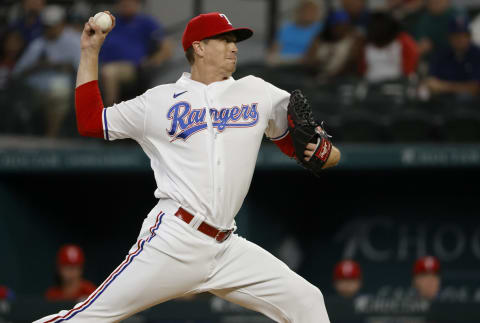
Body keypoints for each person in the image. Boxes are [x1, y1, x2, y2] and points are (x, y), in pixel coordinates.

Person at [34, 10, 340, 323]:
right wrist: (89, 52)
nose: (234, 47)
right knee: (89, 317)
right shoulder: (158, 101)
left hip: (226, 247)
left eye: (235, 40)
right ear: (199, 47)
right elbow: (90, 122)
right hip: (175, 240)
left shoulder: (258, 92)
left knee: (307, 301)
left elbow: (317, 152)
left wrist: (322, 151)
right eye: (225, 40)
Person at [12, 5, 81, 137]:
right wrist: (39, 65)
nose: (49, 29)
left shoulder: (74, 40)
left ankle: (51, 135)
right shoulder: (38, 43)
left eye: (53, 25)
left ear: (62, 23)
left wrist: (61, 66)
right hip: (35, 90)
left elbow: (82, 69)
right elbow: (17, 72)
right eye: (46, 26)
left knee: (58, 91)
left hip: (66, 86)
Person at [99, 0, 173, 106]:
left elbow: (167, 47)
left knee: (109, 72)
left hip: (133, 68)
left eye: (129, 3)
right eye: (122, 3)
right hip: (104, 65)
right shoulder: (110, 22)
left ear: (137, 4)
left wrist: (152, 61)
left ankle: (109, 112)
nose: (125, 6)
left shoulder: (146, 22)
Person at [422, 15, 480, 98]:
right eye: (457, 36)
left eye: (465, 36)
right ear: (450, 37)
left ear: (470, 37)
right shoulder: (441, 54)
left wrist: (444, 87)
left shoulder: (477, 54)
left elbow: (475, 88)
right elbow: (431, 83)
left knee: (464, 96)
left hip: (472, 107)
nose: (461, 40)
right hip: (443, 104)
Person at [360, 11, 419, 83]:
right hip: (370, 81)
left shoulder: (402, 40)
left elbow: (411, 62)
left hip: (397, 81)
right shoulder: (366, 43)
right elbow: (361, 67)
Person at [304, 10, 361, 82]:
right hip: (316, 77)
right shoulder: (319, 39)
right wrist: (321, 62)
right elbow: (309, 62)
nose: (340, 29)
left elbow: (352, 63)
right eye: (337, 25)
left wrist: (332, 75)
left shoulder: (354, 39)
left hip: (341, 79)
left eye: (344, 25)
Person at [267, 0, 324, 65]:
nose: (307, 13)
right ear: (298, 11)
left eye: (311, 10)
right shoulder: (286, 28)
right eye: (304, 10)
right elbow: (274, 49)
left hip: (305, 65)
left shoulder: (320, 29)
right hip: (282, 63)